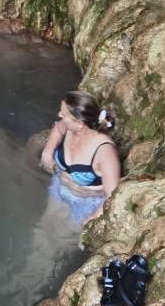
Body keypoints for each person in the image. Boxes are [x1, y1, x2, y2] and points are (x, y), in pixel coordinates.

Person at [39, 90, 121, 222]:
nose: (59, 115)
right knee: (43, 230)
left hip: (86, 204)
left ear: (79, 123)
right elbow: (58, 129)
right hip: (59, 188)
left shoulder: (104, 151)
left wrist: (92, 218)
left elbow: (113, 196)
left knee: (62, 240)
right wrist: (48, 152)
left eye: (64, 114)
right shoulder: (69, 127)